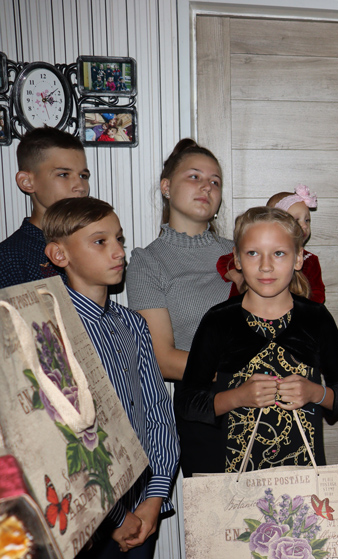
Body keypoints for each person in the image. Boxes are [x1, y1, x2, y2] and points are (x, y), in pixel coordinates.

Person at [42, 198, 179, 559]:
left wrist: (155, 495)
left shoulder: (132, 324)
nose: (118, 251)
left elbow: (157, 411)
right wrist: (115, 517)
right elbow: (62, 438)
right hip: (89, 518)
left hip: (143, 506)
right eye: (100, 242)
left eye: (119, 239)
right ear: (59, 254)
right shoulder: (52, 330)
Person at [173, 207, 338, 476]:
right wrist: (238, 397)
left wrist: (314, 393)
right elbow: (187, 403)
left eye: (278, 253)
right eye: (253, 253)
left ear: (298, 258)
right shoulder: (218, 320)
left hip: (304, 480)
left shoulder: (316, 318)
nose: (265, 265)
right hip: (235, 481)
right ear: (237, 259)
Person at [126, 139, 234, 381]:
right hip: (204, 397)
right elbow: (163, 360)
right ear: (166, 187)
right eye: (195, 177)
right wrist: (238, 377)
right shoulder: (147, 262)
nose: (207, 187)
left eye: (215, 182)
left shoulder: (242, 252)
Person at [0, 127, 90, 288]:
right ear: (27, 182)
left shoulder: (93, 244)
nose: (80, 186)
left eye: (83, 176)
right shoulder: (9, 259)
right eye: (64, 174)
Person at [216, 184, 325, 303]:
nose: (304, 226)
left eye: (307, 220)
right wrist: (239, 278)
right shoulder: (245, 256)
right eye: (295, 220)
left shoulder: (310, 260)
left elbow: (318, 295)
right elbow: (223, 262)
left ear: (298, 259)